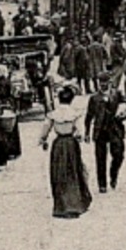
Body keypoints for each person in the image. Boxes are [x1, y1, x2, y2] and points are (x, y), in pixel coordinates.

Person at [40, 86, 93, 218]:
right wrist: (80, 136)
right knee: (73, 172)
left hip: (58, 145)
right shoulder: (74, 114)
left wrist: (43, 140)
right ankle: (75, 203)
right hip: (71, 144)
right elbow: (79, 131)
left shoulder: (53, 114)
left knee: (59, 173)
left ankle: (61, 205)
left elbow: (45, 130)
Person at [85, 75, 126, 193]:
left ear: (110, 82)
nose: (103, 85)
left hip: (115, 129)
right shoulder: (94, 98)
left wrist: (124, 114)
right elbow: (89, 115)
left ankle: (113, 175)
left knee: (119, 154)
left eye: (105, 82)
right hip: (100, 130)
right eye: (100, 82)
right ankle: (102, 185)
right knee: (100, 158)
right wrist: (87, 132)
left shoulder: (117, 94)